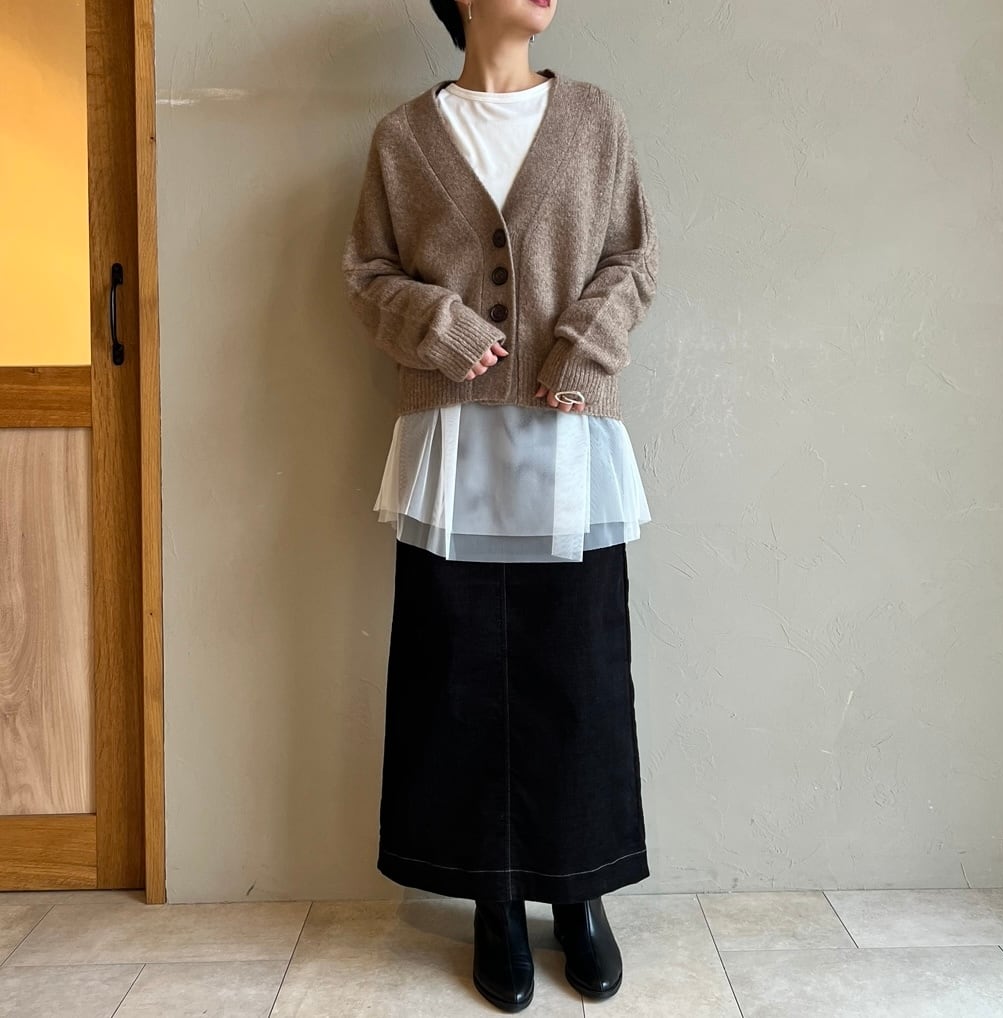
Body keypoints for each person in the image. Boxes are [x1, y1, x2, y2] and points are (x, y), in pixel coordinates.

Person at [342, 0, 660, 1010]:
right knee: (459, 672)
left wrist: (584, 351)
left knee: (580, 670)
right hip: (455, 442)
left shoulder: (595, 119)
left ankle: (578, 892)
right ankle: (493, 896)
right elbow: (365, 274)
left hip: (568, 433)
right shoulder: (404, 137)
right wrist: (440, 325)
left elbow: (633, 256)